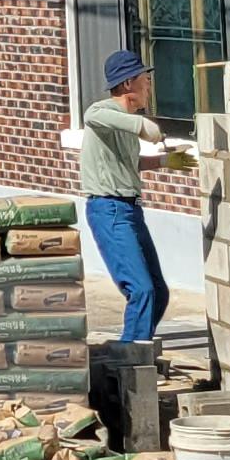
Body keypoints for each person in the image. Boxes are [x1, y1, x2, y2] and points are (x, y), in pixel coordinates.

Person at [78, 48, 168, 346]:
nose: (149, 84)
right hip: (109, 210)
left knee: (158, 292)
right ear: (128, 83)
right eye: (145, 78)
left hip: (130, 210)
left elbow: (130, 163)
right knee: (141, 290)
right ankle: (129, 359)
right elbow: (91, 116)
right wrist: (141, 126)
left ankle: (137, 350)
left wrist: (165, 161)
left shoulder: (126, 121)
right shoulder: (103, 112)